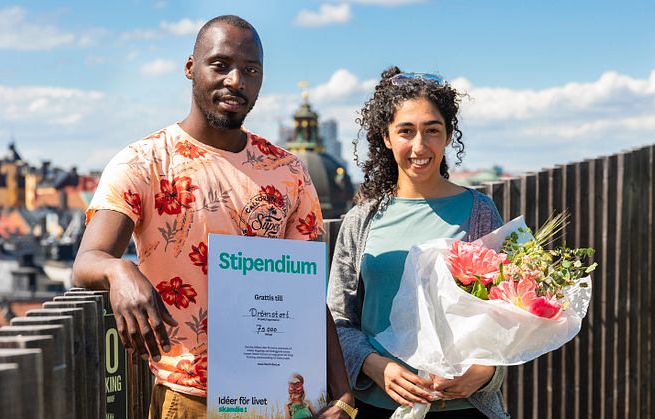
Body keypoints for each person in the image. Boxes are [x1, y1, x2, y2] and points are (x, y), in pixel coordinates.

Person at [72, 15, 354, 419]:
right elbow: (87, 260)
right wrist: (120, 272)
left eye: (250, 70)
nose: (236, 80)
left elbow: (306, 291)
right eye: (220, 65)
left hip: (283, 399)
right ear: (191, 67)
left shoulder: (288, 171)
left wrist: (343, 394)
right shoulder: (143, 162)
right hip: (190, 399)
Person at [326, 67, 510, 419]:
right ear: (385, 137)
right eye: (406, 131)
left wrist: (485, 371)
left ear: (448, 135)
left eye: (432, 131)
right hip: (379, 406)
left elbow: (506, 312)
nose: (420, 146)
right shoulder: (359, 221)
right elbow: (338, 319)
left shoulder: (479, 212)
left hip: (462, 408)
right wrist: (373, 364)